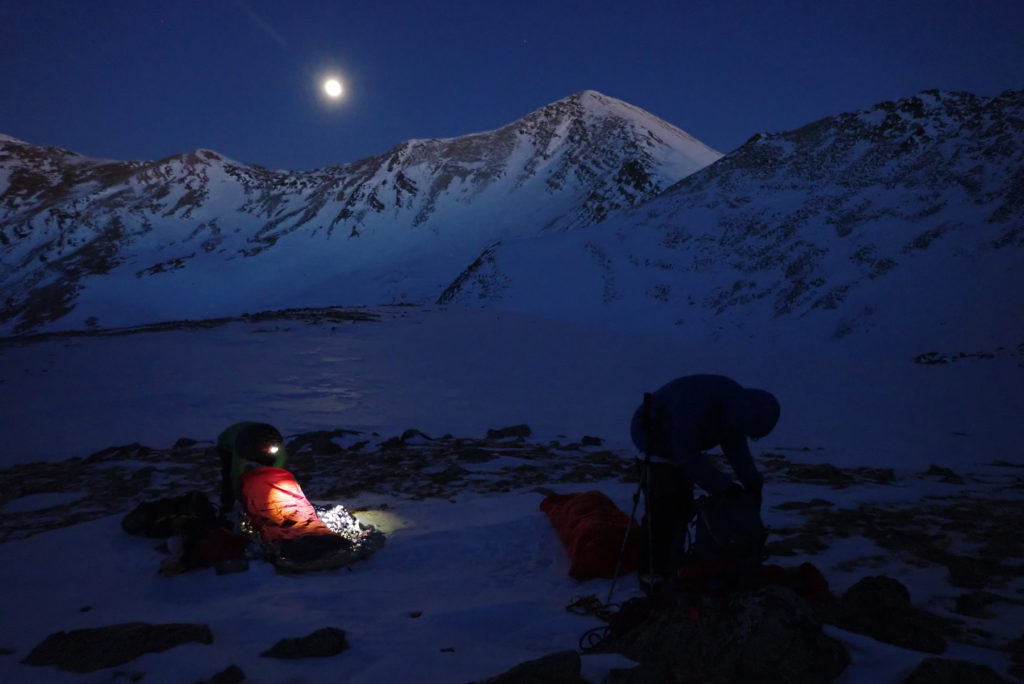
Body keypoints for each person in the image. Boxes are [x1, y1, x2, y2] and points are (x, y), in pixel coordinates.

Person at [629, 374, 780, 583]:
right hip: (653, 439)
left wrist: (753, 482)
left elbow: (735, 447)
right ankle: (652, 572)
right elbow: (687, 455)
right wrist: (724, 487)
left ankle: (672, 563)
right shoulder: (694, 404)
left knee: (682, 506)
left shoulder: (735, 407)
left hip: (683, 444)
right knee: (664, 506)